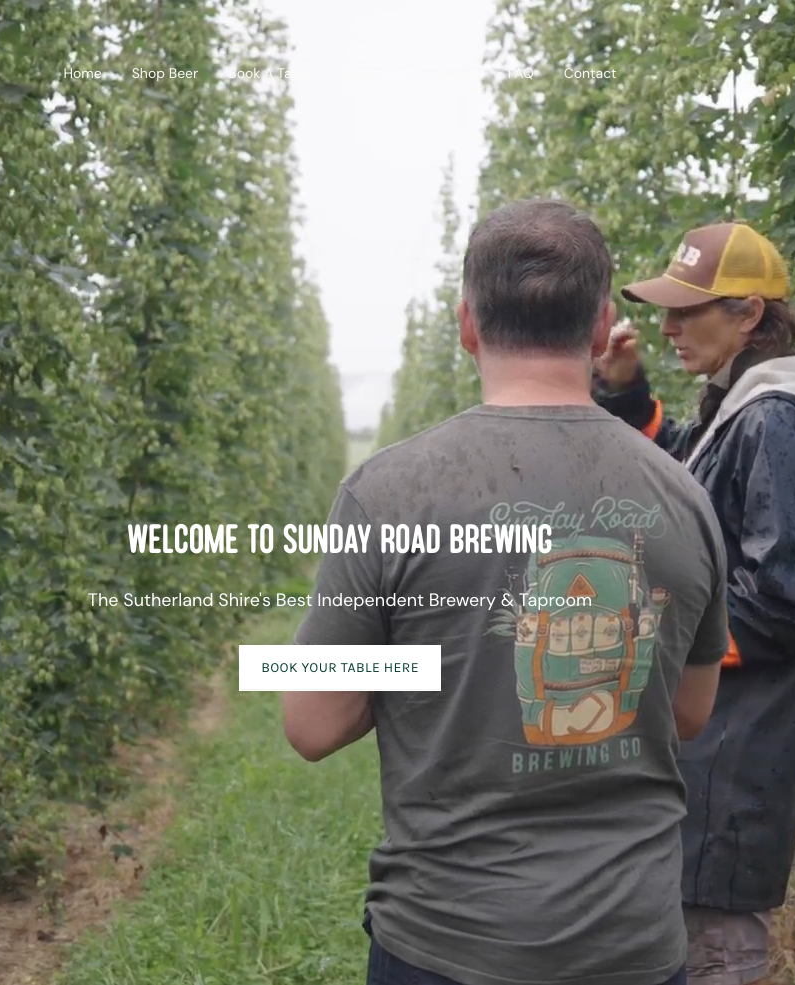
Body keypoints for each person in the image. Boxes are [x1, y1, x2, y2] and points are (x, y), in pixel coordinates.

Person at [282, 198, 729, 985]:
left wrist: (431, 660)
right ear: (599, 329)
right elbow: (689, 712)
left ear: (466, 325)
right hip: (633, 945)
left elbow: (314, 721)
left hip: (447, 940)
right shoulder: (683, 496)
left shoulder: (389, 493)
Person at [591, 221, 795, 985]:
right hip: (707, 766)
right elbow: (682, 468)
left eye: (688, 311)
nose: (670, 326)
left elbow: (789, 599)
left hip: (729, 772)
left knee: (712, 953)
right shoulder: (743, 405)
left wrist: (649, 647)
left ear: (748, 314)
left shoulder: (774, 419)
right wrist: (627, 392)